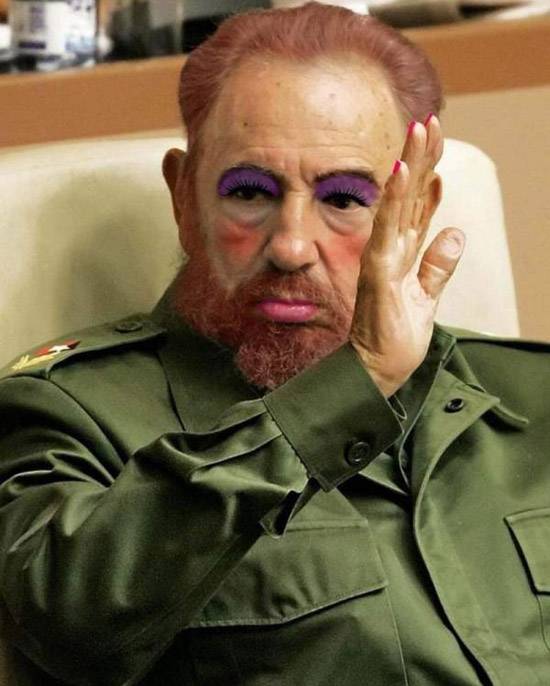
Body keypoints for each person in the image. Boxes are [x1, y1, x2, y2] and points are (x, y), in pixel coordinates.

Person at [0, 3, 549, 685]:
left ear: (419, 210)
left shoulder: (531, 395)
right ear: (183, 198)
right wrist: (356, 384)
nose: (291, 246)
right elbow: (66, 622)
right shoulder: (66, 413)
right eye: (250, 192)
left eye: (343, 199)